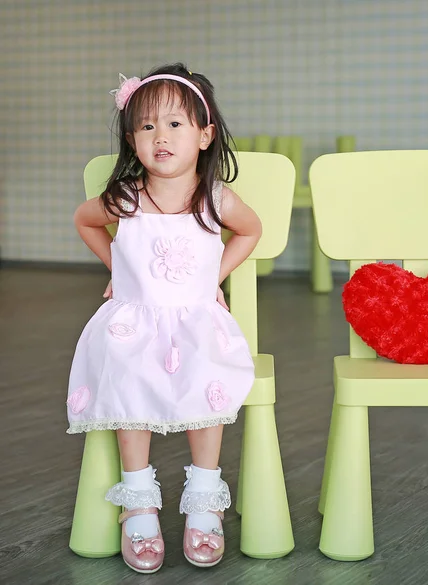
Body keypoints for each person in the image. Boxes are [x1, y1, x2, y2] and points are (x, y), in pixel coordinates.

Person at [67, 62, 261, 573]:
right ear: (132, 141)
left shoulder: (215, 199)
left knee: (207, 382)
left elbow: (251, 231)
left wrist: (213, 276)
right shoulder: (127, 197)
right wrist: (119, 266)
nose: (161, 137)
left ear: (205, 135)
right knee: (128, 379)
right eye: (147, 126)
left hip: (196, 324)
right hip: (135, 327)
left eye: (175, 124)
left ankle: (203, 495)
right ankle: (139, 501)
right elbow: (84, 221)